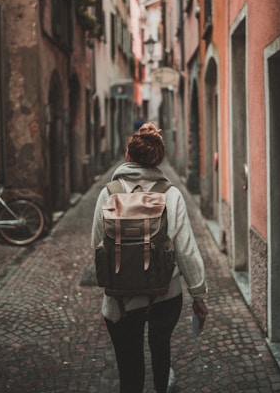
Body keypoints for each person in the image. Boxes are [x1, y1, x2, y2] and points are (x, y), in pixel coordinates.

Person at [91, 121, 208, 393]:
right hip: (165, 295)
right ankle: (160, 385)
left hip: (120, 299)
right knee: (160, 348)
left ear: (128, 155)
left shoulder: (108, 194)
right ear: (158, 158)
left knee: (129, 368)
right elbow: (186, 250)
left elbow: (97, 245)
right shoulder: (172, 195)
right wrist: (199, 295)